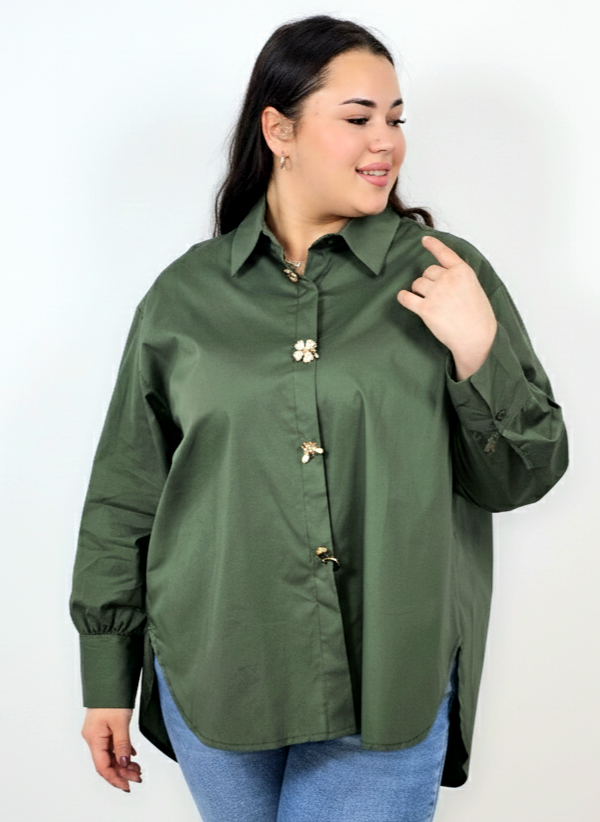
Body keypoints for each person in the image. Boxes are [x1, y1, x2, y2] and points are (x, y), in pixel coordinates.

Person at [69, 13, 569, 822]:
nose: (386, 143)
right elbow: (127, 494)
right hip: (215, 669)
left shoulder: (444, 275)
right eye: (358, 118)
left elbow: (523, 476)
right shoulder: (184, 296)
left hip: (389, 676)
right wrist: (106, 677)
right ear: (280, 131)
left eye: (396, 119)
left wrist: (478, 351)